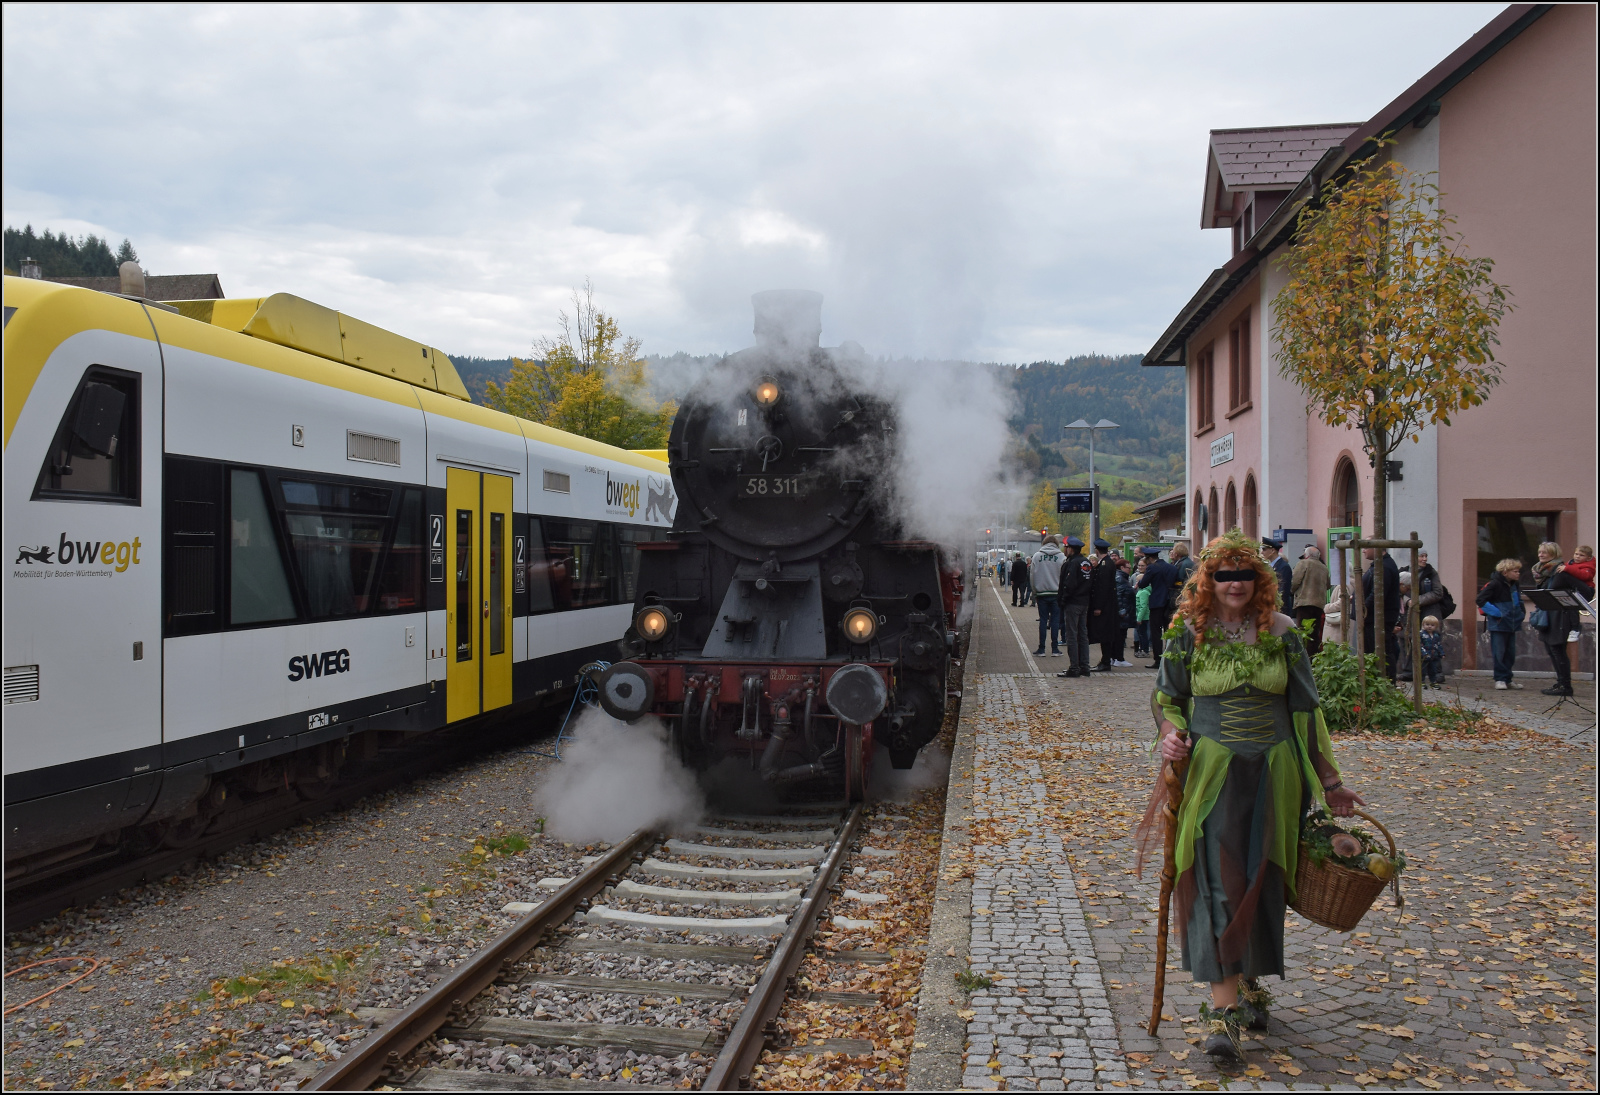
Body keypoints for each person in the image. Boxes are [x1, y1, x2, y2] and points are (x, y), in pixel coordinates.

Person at [1137, 529, 1363, 1061]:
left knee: (1263, 881)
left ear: (1259, 581)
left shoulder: (1283, 632)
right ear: (1207, 580)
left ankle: (1249, 983)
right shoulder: (1186, 633)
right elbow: (1167, 697)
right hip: (1214, 774)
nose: (1234, 584)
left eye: (1244, 574)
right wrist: (1170, 732)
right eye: (1222, 574)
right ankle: (1222, 1014)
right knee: (1218, 880)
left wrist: (1330, 784)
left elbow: (1307, 714)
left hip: (1276, 774)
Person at [1532, 542, 1594, 698]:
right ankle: (1560, 683)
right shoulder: (1542, 572)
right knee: (1551, 650)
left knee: (1557, 650)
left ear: (1554, 554)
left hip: (1561, 615)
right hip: (1548, 614)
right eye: (1539, 552)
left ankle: (1565, 686)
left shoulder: (1563, 571)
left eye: (1544, 552)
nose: (1541, 555)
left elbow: (1584, 592)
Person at [1476, 557, 1526, 690]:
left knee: (1510, 653)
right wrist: (1498, 613)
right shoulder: (1495, 584)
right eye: (1515, 571)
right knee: (1499, 653)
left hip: (1513, 623)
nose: (1518, 574)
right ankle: (1499, 678)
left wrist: (1521, 613)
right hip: (1499, 624)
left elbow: (1518, 601)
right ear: (1505, 572)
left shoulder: (1514, 585)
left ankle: (1508, 679)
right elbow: (1480, 599)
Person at [1361, 548, 1402, 680]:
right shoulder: (1379, 565)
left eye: (1366, 547)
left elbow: (1378, 593)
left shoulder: (1384, 566)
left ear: (1375, 548)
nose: (1363, 551)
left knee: (1381, 650)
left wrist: (1364, 608)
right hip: (1373, 616)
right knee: (1377, 649)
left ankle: (1386, 682)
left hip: (1378, 617)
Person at [1136, 547, 1180, 668]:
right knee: (1169, 630)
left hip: (1157, 602)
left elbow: (1143, 583)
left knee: (1156, 632)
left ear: (1149, 558)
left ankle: (1158, 660)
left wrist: (1139, 583)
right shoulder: (1172, 567)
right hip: (1170, 602)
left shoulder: (1152, 568)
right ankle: (1170, 658)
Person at [1058, 537, 1094, 676]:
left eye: (1065, 548)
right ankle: (1085, 666)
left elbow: (1069, 584)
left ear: (1070, 549)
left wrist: (1063, 599)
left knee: (1071, 635)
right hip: (1084, 602)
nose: (1064, 550)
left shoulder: (1072, 563)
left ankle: (1074, 667)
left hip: (1073, 603)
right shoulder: (1087, 562)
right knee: (1083, 635)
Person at [1291, 545, 1330, 655]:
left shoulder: (1303, 563)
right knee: (1314, 633)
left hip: (1304, 602)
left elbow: (1295, 581)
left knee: (1303, 631)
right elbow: (1328, 585)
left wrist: (1292, 591)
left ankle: (1303, 656)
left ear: (1306, 555)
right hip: (1319, 604)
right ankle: (1313, 656)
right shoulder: (1324, 567)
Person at [1088, 538, 1121, 672]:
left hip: (1106, 606)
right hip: (1108, 605)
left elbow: (1103, 587)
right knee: (1105, 633)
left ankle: (1106, 661)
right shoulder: (1106, 563)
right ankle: (1105, 660)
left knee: (1105, 634)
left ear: (1097, 550)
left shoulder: (1105, 565)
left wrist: (1098, 606)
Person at [1031, 534, 1066, 657]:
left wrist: (1034, 592)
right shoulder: (1062, 557)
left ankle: (1041, 649)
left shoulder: (1037, 556)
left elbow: (1032, 576)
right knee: (1055, 622)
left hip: (1042, 594)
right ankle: (1055, 649)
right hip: (1057, 594)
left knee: (1043, 621)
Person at [1114, 554, 1136, 668]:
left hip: (1124, 611)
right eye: (1128, 567)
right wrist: (1122, 610)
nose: (1130, 569)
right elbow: (1119, 596)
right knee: (1120, 636)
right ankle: (1118, 658)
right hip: (1122, 613)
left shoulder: (1121, 578)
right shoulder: (1120, 579)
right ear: (1122, 568)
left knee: (1120, 635)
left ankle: (1116, 657)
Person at [1262, 540, 1294, 611]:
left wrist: (1277, 606)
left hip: (1280, 608)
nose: (1262, 552)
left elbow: (1283, 591)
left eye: (1264, 549)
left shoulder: (1283, 567)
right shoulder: (1269, 566)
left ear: (1273, 550)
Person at [1134, 556, 1153, 658]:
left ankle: (1144, 650)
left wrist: (1139, 618)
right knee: (1142, 633)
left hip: (1143, 616)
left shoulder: (1143, 592)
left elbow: (1143, 606)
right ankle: (1142, 649)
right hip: (1142, 616)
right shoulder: (1143, 591)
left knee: (1143, 634)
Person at [1420, 615, 1445, 687]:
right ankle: (1421, 681)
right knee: (1423, 670)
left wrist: (1441, 653)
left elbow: (1438, 645)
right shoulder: (1421, 634)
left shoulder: (1436, 635)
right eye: (1427, 624)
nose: (1429, 626)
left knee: (1433, 670)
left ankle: (1433, 682)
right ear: (1423, 625)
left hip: (1434, 656)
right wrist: (1424, 653)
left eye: (1432, 625)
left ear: (1436, 627)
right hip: (1424, 656)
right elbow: (1420, 645)